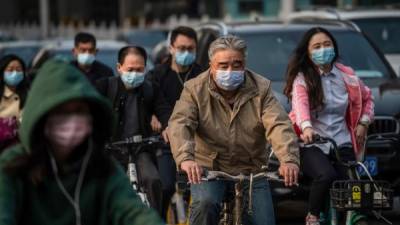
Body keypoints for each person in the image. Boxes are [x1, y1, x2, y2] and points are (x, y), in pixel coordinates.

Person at [0, 60, 164, 225]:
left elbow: (134, 213)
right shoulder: (13, 166)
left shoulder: (102, 168)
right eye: (61, 112)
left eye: (79, 111)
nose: (72, 120)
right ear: (42, 117)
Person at [168, 35, 300, 225]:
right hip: (208, 170)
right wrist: (186, 159)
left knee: (264, 221)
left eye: (236, 64)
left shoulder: (261, 88)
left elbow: (279, 124)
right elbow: (180, 123)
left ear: (244, 64)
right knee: (205, 205)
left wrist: (288, 159)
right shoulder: (194, 89)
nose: (230, 71)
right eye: (223, 65)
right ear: (211, 66)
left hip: (252, 169)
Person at [283, 27, 374, 225]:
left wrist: (364, 123)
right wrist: (306, 128)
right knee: (325, 175)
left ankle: (356, 216)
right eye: (316, 46)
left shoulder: (347, 76)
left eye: (327, 44)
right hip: (312, 143)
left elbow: (368, 99)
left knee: (352, 184)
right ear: (307, 52)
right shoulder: (302, 78)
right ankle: (313, 216)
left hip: (342, 141)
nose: (323, 49)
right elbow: (300, 106)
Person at [96, 46, 171, 215]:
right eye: (130, 69)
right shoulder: (104, 86)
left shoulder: (151, 89)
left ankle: (155, 218)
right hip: (111, 149)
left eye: (140, 69)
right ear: (119, 68)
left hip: (141, 149)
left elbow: (164, 110)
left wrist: (168, 127)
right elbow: (90, 110)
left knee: (153, 180)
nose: (135, 74)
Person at [147, 26, 204, 219]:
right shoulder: (156, 75)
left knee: (198, 190)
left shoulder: (202, 75)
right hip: (166, 142)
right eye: (181, 48)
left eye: (190, 49)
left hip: (196, 141)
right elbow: (147, 102)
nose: (186, 53)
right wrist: (152, 117)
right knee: (165, 186)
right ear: (171, 48)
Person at [0, 54, 30, 152]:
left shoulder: (29, 94)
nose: (15, 73)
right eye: (10, 69)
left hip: (23, 150)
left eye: (18, 69)